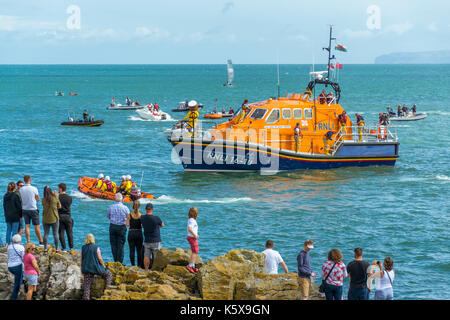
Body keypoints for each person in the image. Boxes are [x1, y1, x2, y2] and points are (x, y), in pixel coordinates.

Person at [80, 234, 112, 300]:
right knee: (108, 274)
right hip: (96, 268)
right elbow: (100, 259)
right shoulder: (96, 248)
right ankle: (107, 290)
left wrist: (82, 269)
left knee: (87, 285)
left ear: (86, 239)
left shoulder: (83, 248)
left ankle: (86, 298)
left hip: (87, 269)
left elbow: (81, 259)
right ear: (93, 239)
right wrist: (103, 265)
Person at [20, 175, 44, 246]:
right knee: (37, 226)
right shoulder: (34, 188)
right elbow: (38, 199)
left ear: (24, 180)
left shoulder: (21, 189)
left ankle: (28, 241)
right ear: (30, 180)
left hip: (24, 209)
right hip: (33, 209)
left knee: (27, 225)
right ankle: (41, 241)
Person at [141, 203, 164, 271]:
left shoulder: (142, 218)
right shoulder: (156, 218)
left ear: (145, 209)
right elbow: (162, 224)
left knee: (146, 256)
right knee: (156, 257)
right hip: (156, 240)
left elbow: (142, 225)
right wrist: (157, 226)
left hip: (147, 240)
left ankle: (146, 270)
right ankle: (156, 270)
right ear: (152, 209)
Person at [107, 193, 129, 264]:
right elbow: (128, 218)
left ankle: (115, 260)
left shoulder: (111, 207)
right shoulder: (125, 208)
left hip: (113, 226)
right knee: (120, 245)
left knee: (113, 244)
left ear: (114, 199)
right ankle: (119, 262)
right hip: (121, 227)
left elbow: (108, 216)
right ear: (122, 199)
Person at [42, 186, 61, 252]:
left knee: (46, 234)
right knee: (55, 234)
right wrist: (56, 195)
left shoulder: (43, 199)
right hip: (54, 218)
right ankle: (57, 248)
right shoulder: (55, 198)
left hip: (46, 218)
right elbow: (59, 206)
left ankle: (45, 249)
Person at [126, 201, 144, 267]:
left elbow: (127, 224)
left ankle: (133, 265)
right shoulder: (141, 216)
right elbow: (143, 226)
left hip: (131, 233)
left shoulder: (129, 215)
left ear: (133, 206)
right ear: (139, 206)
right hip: (139, 232)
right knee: (139, 250)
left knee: (132, 250)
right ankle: (139, 265)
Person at [7, 234, 24, 300]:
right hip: (17, 266)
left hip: (10, 266)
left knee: (18, 279)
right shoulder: (21, 247)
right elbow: (23, 257)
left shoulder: (9, 247)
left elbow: (9, 255)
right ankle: (14, 297)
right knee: (17, 283)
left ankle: (19, 288)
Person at [58, 183, 74, 252]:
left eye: (58, 188)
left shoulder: (58, 197)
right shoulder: (69, 197)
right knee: (69, 233)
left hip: (60, 216)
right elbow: (69, 205)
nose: (58, 189)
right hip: (68, 216)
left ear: (61, 189)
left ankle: (64, 248)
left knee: (61, 233)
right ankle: (71, 248)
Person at [186, 207, 199, 274]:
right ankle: (190, 266)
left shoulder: (191, 219)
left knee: (195, 251)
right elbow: (189, 228)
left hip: (192, 237)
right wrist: (194, 235)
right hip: (192, 237)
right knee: (195, 251)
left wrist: (195, 235)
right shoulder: (192, 220)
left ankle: (193, 265)